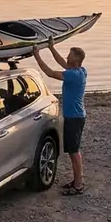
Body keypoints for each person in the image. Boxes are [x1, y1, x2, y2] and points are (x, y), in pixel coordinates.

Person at [32, 37, 88, 195]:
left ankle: (78, 185)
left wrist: (36, 55)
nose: (66, 57)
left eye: (69, 56)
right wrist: (51, 48)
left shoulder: (73, 75)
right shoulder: (81, 71)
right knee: (73, 150)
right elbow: (62, 63)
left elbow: (50, 73)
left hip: (75, 118)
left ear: (76, 61)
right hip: (77, 116)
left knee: (74, 151)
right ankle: (77, 180)